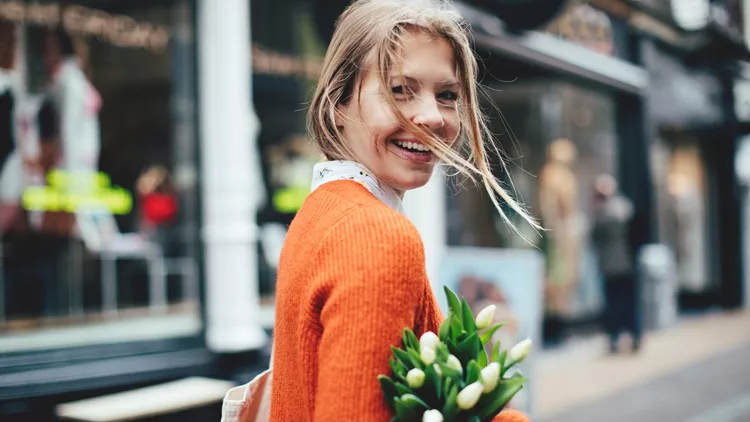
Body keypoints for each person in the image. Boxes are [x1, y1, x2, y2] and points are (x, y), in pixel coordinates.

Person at [270, 1, 537, 421]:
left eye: (447, 95)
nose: (432, 117)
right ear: (338, 103)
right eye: (400, 89)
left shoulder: (323, 214)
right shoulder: (374, 235)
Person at [590, 174, 641, 353]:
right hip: (625, 264)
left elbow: (595, 237)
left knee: (614, 304)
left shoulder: (602, 213)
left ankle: (615, 338)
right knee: (627, 302)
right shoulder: (625, 209)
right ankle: (632, 336)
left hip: (610, 266)